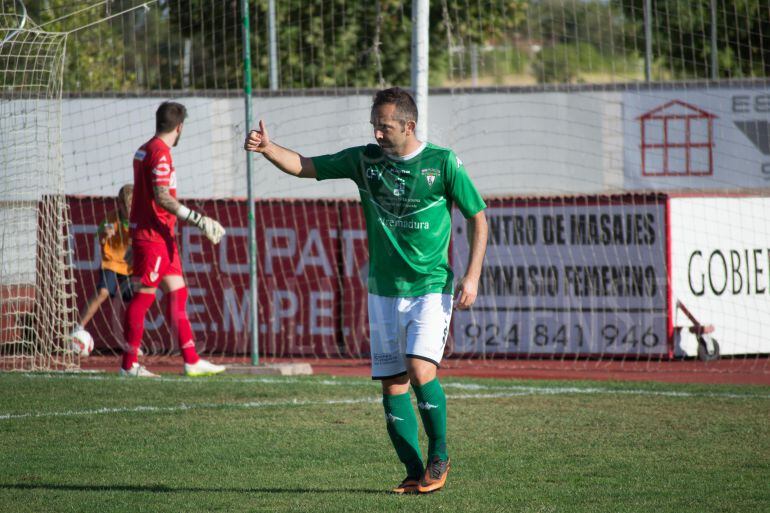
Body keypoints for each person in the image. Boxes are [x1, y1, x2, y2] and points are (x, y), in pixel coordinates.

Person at [244, 87, 488, 493]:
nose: (377, 133)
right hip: (382, 291)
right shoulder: (365, 159)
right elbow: (305, 166)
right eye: (374, 125)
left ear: (409, 126)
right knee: (393, 384)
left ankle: (440, 455)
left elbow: (478, 217)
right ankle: (414, 472)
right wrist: (269, 148)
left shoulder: (442, 163)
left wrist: (473, 275)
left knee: (419, 368)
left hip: (430, 286)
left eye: (385, 126)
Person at [122, 101, 227, 378]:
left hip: (161, 235)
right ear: (179, 127)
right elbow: (162, 196)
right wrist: (199, 219)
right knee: (144, 297)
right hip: (153, 236)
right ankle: (129, 364)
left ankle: (191, 359)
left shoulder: (144, 149)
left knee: (178, 293)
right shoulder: (159, 153)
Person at [72, 184, 135, 337]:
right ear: (119, 205)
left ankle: (133, 340)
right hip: (111, 263)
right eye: (126, 206)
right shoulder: (111, 219)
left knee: (138, 300)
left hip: (130, 267)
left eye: (131, 206)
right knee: (103, 292)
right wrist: (105, 234)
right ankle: (78, 328)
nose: (129, 210)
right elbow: (100, 237)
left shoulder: (140, 219)